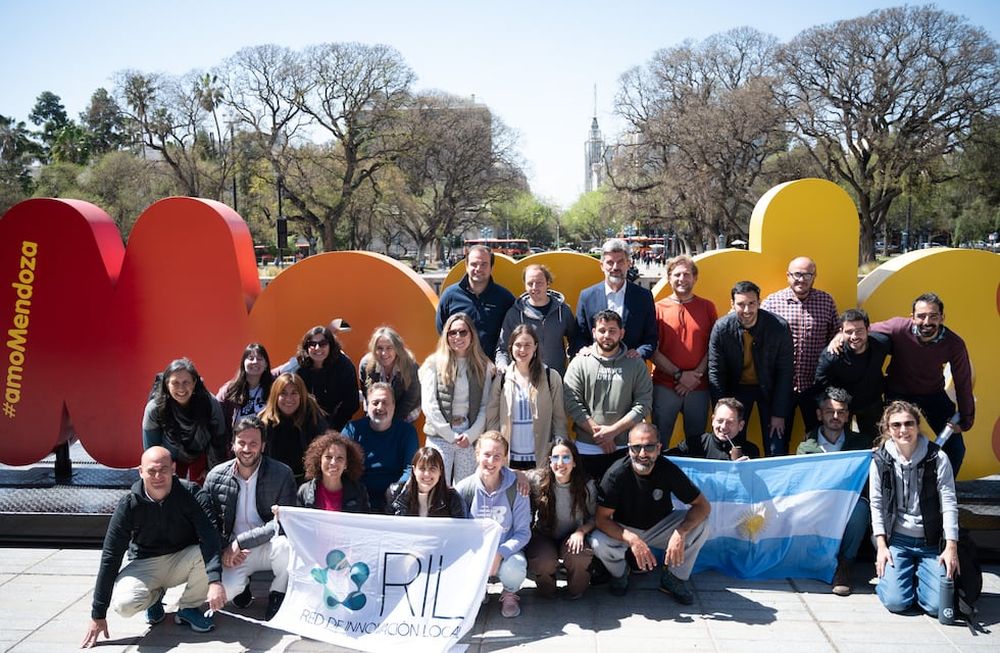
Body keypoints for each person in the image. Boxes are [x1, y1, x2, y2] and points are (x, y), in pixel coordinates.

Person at [81, 446, 225, 647]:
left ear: (173, 469)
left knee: (207, 551)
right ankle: (155, 597)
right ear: (140, 471)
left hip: (182, 558)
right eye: (151, 471)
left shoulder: (191, 494)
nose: (158, 476)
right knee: (124, 605)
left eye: (163, 469)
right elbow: (110, 556)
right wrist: (98, 615)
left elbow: (210, 537)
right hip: (146, 564)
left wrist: (215, 581)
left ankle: (188, 608)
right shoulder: (129, 504)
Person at [591, 423, 711, 604]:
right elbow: (601, 519)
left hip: (661, 526)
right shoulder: (616, 474)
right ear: (628, 449)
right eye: (636, 447)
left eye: (649, 447)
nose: (642, 454)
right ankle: (620, 572)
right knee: (597, 541)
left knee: (702, 525)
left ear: (659, 447)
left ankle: (673, 578)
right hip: (624, 529)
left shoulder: (668, 469)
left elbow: (703, 506)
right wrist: (632, 539)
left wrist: (680, 532)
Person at [869, 401, 958, 617]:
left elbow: (949, 503)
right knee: (896, 603)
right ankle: (896, 580)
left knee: (937, 607)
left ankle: (918, 577)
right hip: (897, 541)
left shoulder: (937, 458)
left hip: (930, 542)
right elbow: (876, 503)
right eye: (896, 425)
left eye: (909, 424)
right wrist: (881, 546)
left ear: (918, 426)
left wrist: (951, 547)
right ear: (888, 429)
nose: (903, 430)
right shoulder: (880, 460)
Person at [870, 293, 974, 476]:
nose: (927, 321)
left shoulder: (954, 343)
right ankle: (892, 493)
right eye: (921, 316)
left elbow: (963, 381)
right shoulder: (899, 327)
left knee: (956, 449)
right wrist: (840, 336)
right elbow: (864, 330)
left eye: (933, 316)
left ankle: (939, 493)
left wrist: (966, 420)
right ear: (912, 317)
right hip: (898, 394)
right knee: (890, 447)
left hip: (932, 394)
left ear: (942, 317)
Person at [204, 416, 296, 620]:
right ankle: (242, 586)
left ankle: (278, 593)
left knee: (287, 547)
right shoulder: (216, 476)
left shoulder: (281, 474)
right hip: (232, 551)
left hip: (267, 545)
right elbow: (207, 523)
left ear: (263, 446)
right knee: (224, 594)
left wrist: (241, 541)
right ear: (233, 445)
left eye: (253, 443)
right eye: (242, 443)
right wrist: (224, 548)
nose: (247, 449)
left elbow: (283, 523)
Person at [796, 387, 872, 596]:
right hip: (818, 503)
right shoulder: (806, 446)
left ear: (847, 415)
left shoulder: (861, 444)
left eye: (841, 412)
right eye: (829, 411)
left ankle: (844, 567)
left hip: (848, 503)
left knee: (861, 509)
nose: (835, 416)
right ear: (820, 414)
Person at [563, 309, 653, 481]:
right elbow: (571, 401)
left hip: (624, 448)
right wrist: (602, 436)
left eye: (612, 330)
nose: (607, 335)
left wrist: (613, 432)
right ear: (594, 332)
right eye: (602, 330)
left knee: (620, 505)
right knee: (587, 502)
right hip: (586, 448)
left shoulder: (636, 364)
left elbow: (643, 403)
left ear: (622, 333)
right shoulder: (580, 362)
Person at [708, 280, 794, 456]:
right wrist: (721, 408)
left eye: (751, 303)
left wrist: (779, 413)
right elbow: (716, 370)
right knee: (735, 446)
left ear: (759, 302)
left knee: (775, 446)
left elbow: (785, 372)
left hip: (769, 389)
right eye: (741, 304)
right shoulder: (722, 328)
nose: (747, 310)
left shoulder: (779, 327)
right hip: (736, 391)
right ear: (732, 304)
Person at [454, 431, 531, 618]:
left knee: (516, 566)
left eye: (497, 456)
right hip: (475, 553)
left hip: (505, 552)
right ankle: (480, 592)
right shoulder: (464, 488)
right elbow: (456, 530)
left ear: (505, 459)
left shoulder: (517, 488)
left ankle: (510, 592)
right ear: (477, 454)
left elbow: (523, 533)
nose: (491, 461)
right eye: (486, 455)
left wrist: (500, 553)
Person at [761, 256, 839, 433]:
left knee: (818, 436)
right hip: (781, 386)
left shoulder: (826, 301)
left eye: (807, 275)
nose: (801, 279)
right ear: (788, 275)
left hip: (815, 385)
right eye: (797, 274)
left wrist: (838, 337)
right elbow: (751, 324)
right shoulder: (772, 302)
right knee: (778, 439)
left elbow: (837, 332)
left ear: (814, 276)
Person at [419, 312, 495, 484]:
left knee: (466, 488)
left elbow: (485, 406)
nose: (457, 337)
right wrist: (449, 434)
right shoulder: (433, 363)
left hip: (469, 436)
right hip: (440, 435)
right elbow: (429, 405)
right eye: (452, 333)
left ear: (471, 335)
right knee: (435, 486)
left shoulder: (483, 366)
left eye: (463, 332)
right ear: (446, 336)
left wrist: (471, 434)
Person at [651, 255, 718, 448]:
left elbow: (713, 347)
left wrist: (694, 376)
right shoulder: (657, 308)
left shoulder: (707, 307)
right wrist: (679, 375)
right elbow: (652, 349)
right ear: (669, 278)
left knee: (697, 442)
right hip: (665, 385)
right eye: (677, 274)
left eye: (687, 274)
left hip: (699, 386)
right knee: (659, 440)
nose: (682, 279)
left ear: (695, 278)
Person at [486, 324, 568, 470]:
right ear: (511, 347)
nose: (522, 350)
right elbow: (492, 418)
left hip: (541, 460)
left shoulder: (551, 377)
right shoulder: (502, 379)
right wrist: (495, 450)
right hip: (509, 461)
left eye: (527, 345)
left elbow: (559, 418)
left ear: (535, 347)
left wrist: (559, 450)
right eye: (518, 345)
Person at [524, 438, 596, 599]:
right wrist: (520, 476)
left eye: (566, 457)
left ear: (575, 462)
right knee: (543, 561)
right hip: (544, 534)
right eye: (555, 458)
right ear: (549, 461)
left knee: (579, 555)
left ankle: (576, 588)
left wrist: (580, 532)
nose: (560, 463)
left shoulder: (586, 486)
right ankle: (546, 587)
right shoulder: (538, 481)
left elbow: (594, 517)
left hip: (571, 535)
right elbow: (513, 474)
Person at [142, 358, 227, 484]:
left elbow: (219, 439)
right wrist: (161, 473)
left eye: (186, 382)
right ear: (166, 384)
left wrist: (212, 470)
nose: (181, 388)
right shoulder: (155, 409)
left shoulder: (209, 403)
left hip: (203, 454)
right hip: (170, 457)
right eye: (175, 383)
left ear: (194, 383)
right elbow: (152, 450)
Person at [574, 238, 657, 359]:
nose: (615, 267)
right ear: (602, 266)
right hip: (596, 367)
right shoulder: (587, 297)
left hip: (631, 369)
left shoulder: (644, 297)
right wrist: (584, 349)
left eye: (620, 262)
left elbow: (651, 338)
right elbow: (578, 336)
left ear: (629, 264)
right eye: (610, 262)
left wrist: (640, 352)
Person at [814, 309, 891, 440]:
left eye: (859, 331)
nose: (854, 337)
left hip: (872, 404)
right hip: (841, 409)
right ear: (841, 331)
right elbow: (820, 386)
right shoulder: (831, 355)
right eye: (849, 332)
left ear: (868, 329)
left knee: (878, 443)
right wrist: (833, 410)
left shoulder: (881, 344)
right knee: (840, 445)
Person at [342, 382, 419, 512]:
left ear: (394, 406)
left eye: (385, 402)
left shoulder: (407, 432)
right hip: (358, 498)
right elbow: (341, 463)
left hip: (396, 498)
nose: (380, 407)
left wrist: (394, 492)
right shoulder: (352, 430)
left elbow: (410, 469)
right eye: (375, 402)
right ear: (366, 405)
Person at [495, 264, 578, 376]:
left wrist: (574, 367)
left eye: (539, 283)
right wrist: (502, 365)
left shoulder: (563, 311)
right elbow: (502, 349)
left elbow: (575, 342)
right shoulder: (514, 314)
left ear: (548, 283)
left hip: (556, 379)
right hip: (524, 381)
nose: (534, 287)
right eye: (530, 283)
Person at [436, 245, 516, 358]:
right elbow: (442, 332)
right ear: (466, 266)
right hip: (458, 367)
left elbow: (513, 333)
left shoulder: (505, 298)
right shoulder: (450, 296)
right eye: (474, 264)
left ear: (491, 267)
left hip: (492, 370)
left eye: (484, 264)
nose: (478, 269)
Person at [259, 373, 329, 482]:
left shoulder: (314, 418)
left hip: (307, 482)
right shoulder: (264, 423)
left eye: (294, 393)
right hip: (273, 482)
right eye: (283, 393)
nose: (289, 399)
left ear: (301, 395)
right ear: (275, 396)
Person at [293, 325, 360, 431]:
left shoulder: (344, 366)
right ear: (306, 346)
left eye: (323, 344)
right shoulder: (300, 367)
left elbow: (352, 402)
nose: (317, 348)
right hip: (305, 424)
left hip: (336, 424)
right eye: (312, 344)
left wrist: (333, 426)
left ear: (331, 345)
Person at [296, 431, 370, 513]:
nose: (333, 462)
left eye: (340, 458)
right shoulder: (304, 491)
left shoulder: (359, 491)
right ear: (319, 460)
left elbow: (365, 523)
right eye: (328, 457)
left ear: (346, 464)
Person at [358, 326, 421, 423]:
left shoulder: (411, 366)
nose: (384, 353)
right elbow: (367, 392)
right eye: (379, 348)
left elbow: (411, 397)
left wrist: (393, 422)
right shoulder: (366, 364)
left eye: (389, 348)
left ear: (397, 348)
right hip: (378, 408)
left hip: (405, 410)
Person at [668, 398, 760, 461]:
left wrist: (749, 468)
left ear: (741, 425)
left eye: (729, 422)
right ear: (713, 420)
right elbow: (665, 459)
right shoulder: (695, 444)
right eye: (720, 421)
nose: (723, 427)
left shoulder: (750, 451)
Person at [387, 447, 467, 518]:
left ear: (440, 471)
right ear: (414, 470)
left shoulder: (453, 499)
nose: (427, 474)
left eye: (432, 469)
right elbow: (387, 529)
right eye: (422, 468)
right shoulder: (395, 493)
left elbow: (461, 530)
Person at [216, 343, 276, 439]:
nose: (255, 362)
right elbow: (217, 418)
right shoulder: (229, 390)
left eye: (260, 359)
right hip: (238, 446)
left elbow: (288, 368)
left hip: (266, 447)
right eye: (251, 358)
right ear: (243, 363)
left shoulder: (274, 387)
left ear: (266, 365)